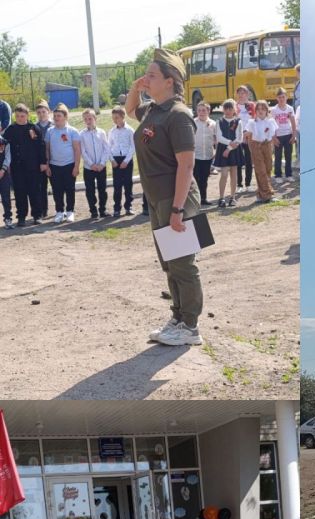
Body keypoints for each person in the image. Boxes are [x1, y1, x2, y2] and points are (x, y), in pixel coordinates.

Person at [125, 48, 204, 347]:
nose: (146, 79)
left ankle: (191, 327)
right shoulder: (153, 110)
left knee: (183, 264)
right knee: (170, 263)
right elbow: (131, 110)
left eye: (152, 75)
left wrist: (177, 209)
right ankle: (178, 317)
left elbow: (187, 165)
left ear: (170, 81)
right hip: (158, 199)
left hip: (176, 199)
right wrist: (136, 87)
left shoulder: (178, 115)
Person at [3, 103, 46, 227]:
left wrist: (43, 162)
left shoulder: (34, 128)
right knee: (20, 192)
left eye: (22, 116)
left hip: (33, 167)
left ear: (27, 115)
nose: (20, 118)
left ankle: (37, 215)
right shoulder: (11, 130)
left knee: (34, 191)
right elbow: (3, 144)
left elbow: (41, 146)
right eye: (17, 116)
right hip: (17, 167)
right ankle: (21, 217)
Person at [46, 103, 80, 224]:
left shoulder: (72, 131)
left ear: (65, 117)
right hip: (54, 166)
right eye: (54, 116)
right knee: (57, 190)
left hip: (69, 165)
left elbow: (77, 150)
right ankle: (59, 212)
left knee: (70, 189)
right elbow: (47, 149)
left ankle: (70, 211)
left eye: (59, 116)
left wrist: (76, 166)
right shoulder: (49, 131)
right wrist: (47, 165)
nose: (56, 118)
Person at [79, 108, 111, 219]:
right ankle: (93, 211)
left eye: (90, 118)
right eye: (85, 119)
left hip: (101, 167)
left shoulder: (101, 132)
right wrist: (91, 164)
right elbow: (83, 151)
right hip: (89, 168)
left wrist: (102, 163)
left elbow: (106, 149)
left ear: (95, 118)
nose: (88, 121)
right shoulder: (82, 134)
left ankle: (103, 209)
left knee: (102, 189)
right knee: (90, 190)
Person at [214, 99, 244, 208]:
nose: (228, 111)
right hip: (223, 149)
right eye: (226, 109)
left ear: (234, 110)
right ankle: (221, 198)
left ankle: (232, 197)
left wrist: (229, 148)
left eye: (230, 109)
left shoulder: (238, 121)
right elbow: (219, 137)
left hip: (234, 149)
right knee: (224, 174)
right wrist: (229, 144)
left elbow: (239, 138)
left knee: (234, 174)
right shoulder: (219, 121)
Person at [246, 100, 277, 202]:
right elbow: (249, 137)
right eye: (258, 109)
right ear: (255, 111)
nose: (260, 111)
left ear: (266, 110)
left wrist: (271, 146)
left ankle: (260, 194)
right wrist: (252, 149)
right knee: (261, 170)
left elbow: (272, 136)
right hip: (256, 146)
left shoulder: (270, 121)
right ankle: (268, 195)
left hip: (267, 145)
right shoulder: (252, 123)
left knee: (268, 168)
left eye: (263, 109)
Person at [108, 106, 135, 217]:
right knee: (117, 185)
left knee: (128, 184)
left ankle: (128, 206)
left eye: (117, 117)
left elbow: (133, 146)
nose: (115, 120)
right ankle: (117, 208)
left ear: (123, 117)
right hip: (116, 160)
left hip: (126, 160)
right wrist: (112, 160)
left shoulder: (130, 130)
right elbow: (108, 147)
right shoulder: (112, 131)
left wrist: (126, 161)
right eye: (113, 118)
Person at [192, 101, 216, 206]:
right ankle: (195, 199)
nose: (201, 112)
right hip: (195, 155)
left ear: (208, 111)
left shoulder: (213, 124)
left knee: (204, 178)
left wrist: (216, 152)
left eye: (203, 110)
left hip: (207, 155)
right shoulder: (193, 123)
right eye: (199, 110)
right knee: (195, 178)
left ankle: (203, 198)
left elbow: (215, 138)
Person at [272, 88, 296, 183]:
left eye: (283, 97)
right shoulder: (274, 110)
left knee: (288, 156)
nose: (281, 99)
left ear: (286, 97)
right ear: (277, 98)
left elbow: (293, 122)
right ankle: (278, 175)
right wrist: (274, 138)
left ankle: (288, 174)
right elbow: (271, 124)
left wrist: (293, 135)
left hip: (288, 135)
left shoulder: (290, 109)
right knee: (278, 156)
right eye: (279, 97)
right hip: (278, 136)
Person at [34, 100, 53, 218]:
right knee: (42, 187)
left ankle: (61, 209)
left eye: (43, 112)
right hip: (41, 162)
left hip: (54, 161)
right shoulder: (34, 127)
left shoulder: (54, 125)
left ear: (48, 112)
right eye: (39, 112)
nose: (41, 114)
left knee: (57, 186)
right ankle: (43, 210)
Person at [235, 85, 255, 191]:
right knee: (238, 161)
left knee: (248, 161)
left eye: (243, 93)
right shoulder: (234, 106)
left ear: (247, 94)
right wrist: (240, 135)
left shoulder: (252, 106)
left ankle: (248, 184)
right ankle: (239, 185)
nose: (241, 95)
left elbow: (255, 120)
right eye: (239, 93)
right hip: (238, 137)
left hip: (249, 136)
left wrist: (248, 133)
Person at [0, 135, 13, 228]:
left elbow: (8, 157)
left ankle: (8, 218)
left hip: (3, 174)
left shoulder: (5, 142)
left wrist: (3, 170)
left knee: (6, 198)